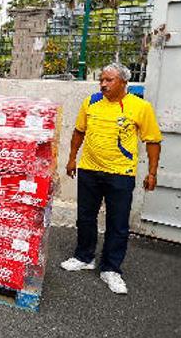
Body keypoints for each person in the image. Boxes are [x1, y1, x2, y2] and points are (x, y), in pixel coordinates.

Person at [61, 63, 162, 294]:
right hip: (89, 169)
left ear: (123, 83)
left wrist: (152, 173)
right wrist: (71, 159)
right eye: (102, 80)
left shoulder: (140, 107)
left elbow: (153, 140)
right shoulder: (91, 102)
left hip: (121, 174)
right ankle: (84, 257)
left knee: (118, 224)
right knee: (85, 217)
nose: (104, 84)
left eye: (109, 80)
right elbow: (79, 131)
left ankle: (111, 269)